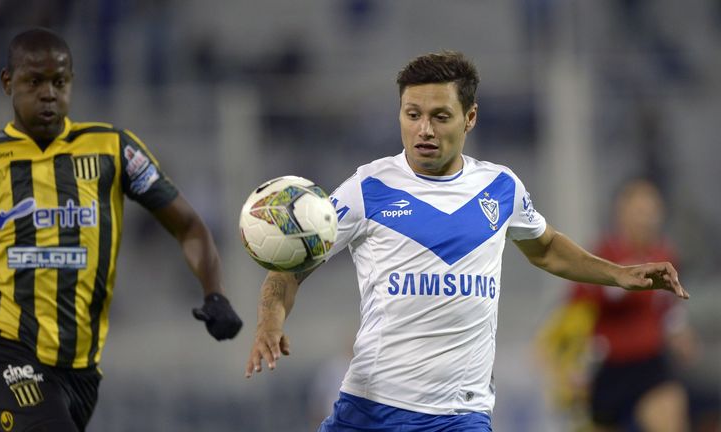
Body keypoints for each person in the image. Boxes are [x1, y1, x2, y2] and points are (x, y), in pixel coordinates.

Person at [244, 51, 689, 432]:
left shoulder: (500, 188)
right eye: (412, 114)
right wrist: (269, 320)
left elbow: (547, 247)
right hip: (370, 407)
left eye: (440, 116)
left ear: (469, 117)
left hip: (461, 414)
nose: (424, 130)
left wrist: (620, 274)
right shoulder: (368, 188)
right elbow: (294, 263)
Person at [0, 28, 243, 432]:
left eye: (59, 81)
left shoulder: (112, 150)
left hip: (80, 372)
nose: (48, 93)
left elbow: (189, 224)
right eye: (34, 81)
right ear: (7, 82)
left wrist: (216, 294)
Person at [537, 178, 694, 432]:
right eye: (640, 212)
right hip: (607, 369)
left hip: (650, 364)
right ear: (621, 213)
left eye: (653, 212)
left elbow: (668, 308)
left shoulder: (665, 254)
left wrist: (678, 333)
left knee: (670, 415)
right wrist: (570, 370)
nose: (648, 219)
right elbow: (574, 315)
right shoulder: (602, 257)